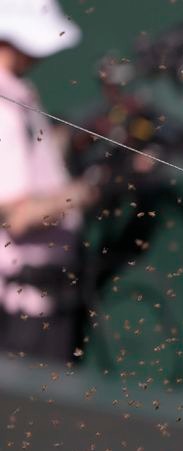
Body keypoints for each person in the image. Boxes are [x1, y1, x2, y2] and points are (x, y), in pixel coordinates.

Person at [0, 0, 96, 362]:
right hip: (23, 313)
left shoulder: (14, 92)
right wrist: (88, 191)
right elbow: (17, 215)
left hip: (40, 300)